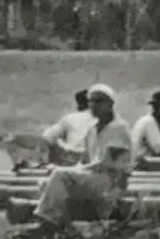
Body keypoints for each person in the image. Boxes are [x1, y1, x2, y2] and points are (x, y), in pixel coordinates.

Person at [31, 84, 133, 238]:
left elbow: (105, 163)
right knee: (47, 181)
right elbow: (85, 158)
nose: (93, 105)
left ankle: (47, 222)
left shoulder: (119, 128)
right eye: (91, 101)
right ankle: (64, 228)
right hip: (95, 178)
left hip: (111, 181)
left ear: (110, 104)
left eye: (99, 101)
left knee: (60, 176)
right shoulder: (92, 129)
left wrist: (72, 171)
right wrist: (66, 166)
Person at [42, 89, 96, 165]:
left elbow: (47, 136)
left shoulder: (70, 118)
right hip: (93, 163)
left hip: (72, 160)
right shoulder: (103, 119)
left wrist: (57, 155)